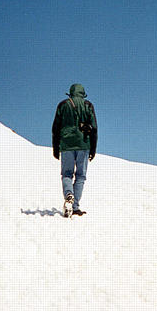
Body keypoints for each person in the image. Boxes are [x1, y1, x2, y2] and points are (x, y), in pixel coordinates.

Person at [52, 83, 98, 217]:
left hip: (66, 145)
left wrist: (56, 148)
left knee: (67, 174)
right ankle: (75, 206)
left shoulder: (63, 105)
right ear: (83, 93)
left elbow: (55, 128)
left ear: (70, 92)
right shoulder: (88, 105)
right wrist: (93, 149)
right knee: (80, 176)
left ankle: (68, 194)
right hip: (83, 144)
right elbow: (94, 129)